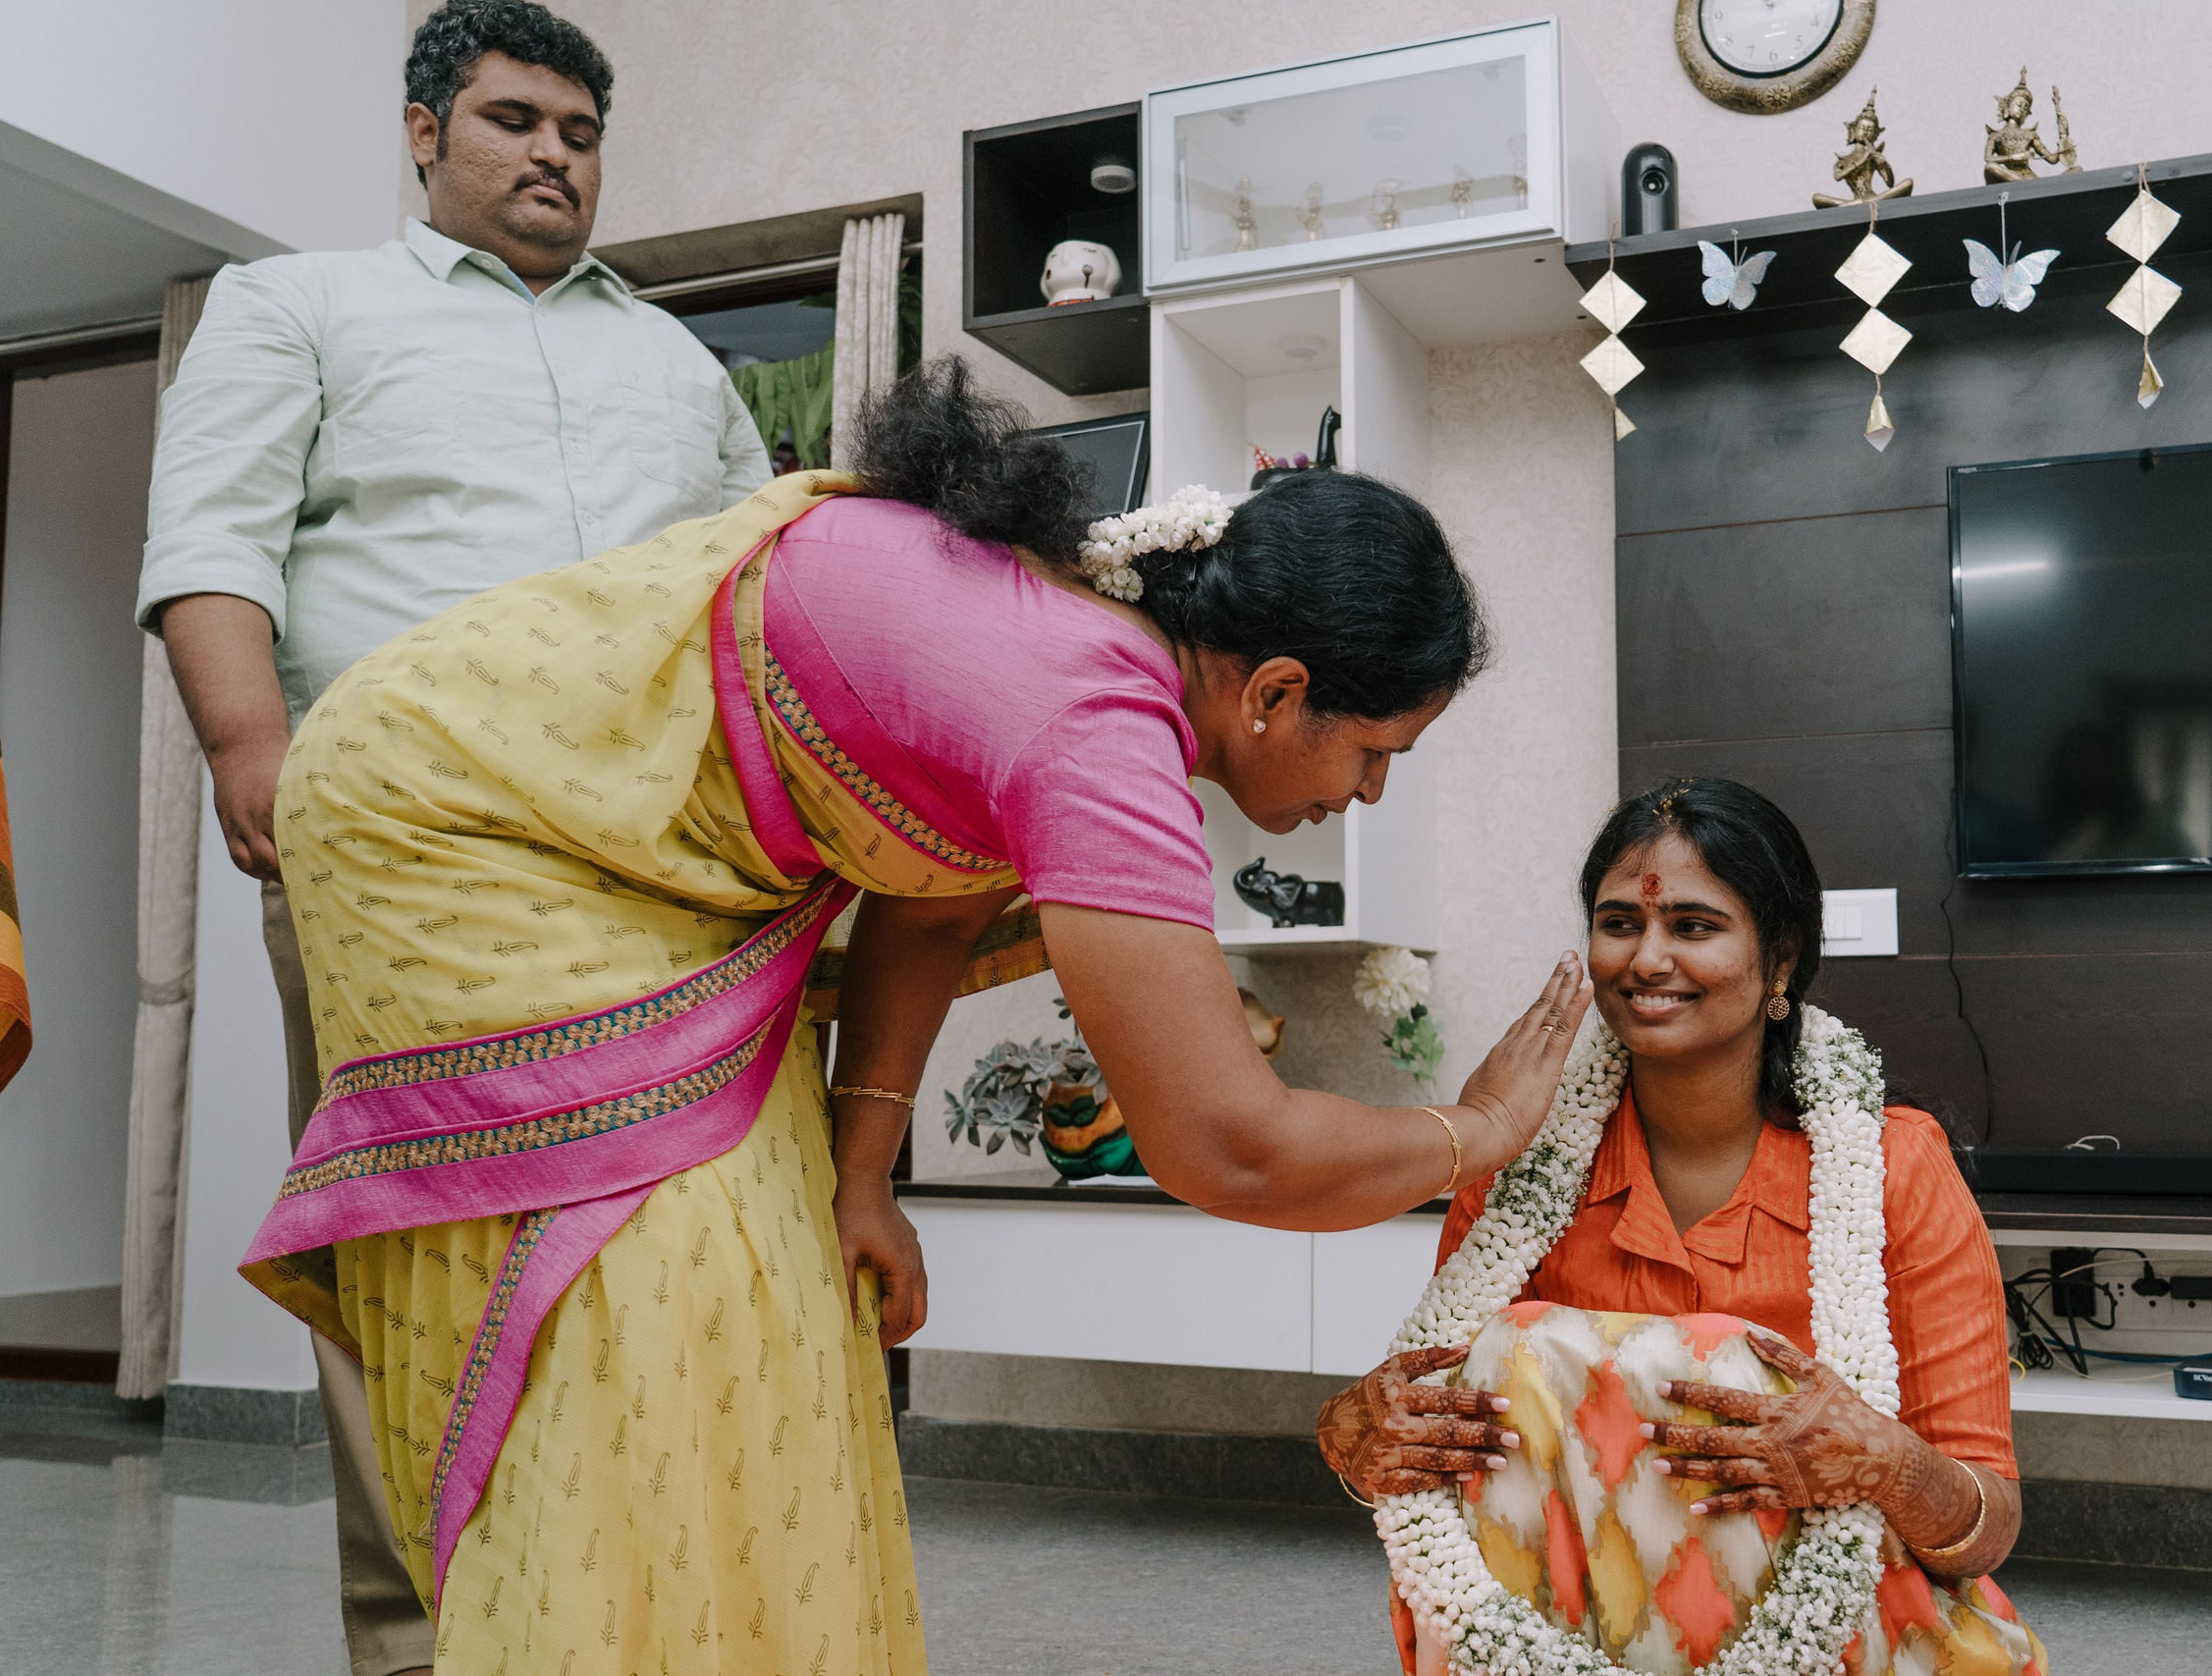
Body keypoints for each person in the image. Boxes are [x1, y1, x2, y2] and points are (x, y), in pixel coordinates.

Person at [235, 356, 1595, 1674]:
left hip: (634, 867)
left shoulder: (1087, 641)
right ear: (1277, 688)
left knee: (791, 1312)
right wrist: (1475, 1125)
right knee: (652, 1320)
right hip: (452, 822)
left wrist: (864, 1170)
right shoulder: (1097, 720)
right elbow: (1226, 1144)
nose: (1365, 795)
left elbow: (933, 892)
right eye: (1375, 753)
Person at [136, 5, 770, 1672]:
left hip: (654, 872)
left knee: (644, 1252)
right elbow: (214, 536)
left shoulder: (678, 362)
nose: (553, 152)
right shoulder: (298, 304)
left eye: (579, 129)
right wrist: (247, 741)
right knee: (411, 1241)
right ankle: (423, 1647)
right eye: (512, 119)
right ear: (424, 135)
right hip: (399, 852)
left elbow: (755, 604)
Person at [1319, 779, 2044, 1675]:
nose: (1646, 958)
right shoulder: (1525, 1168)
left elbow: (1987, 1529)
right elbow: (1444, 1441)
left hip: (1855, 1638)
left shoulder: (1894, 1167)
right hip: (1572, 1639)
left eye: (1693, 926)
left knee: (1725, 1355)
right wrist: (1364, 1442)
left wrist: (1882, 1463)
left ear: (1780, 959)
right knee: (1513, 1347)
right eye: (1620, 923)